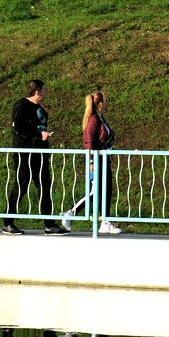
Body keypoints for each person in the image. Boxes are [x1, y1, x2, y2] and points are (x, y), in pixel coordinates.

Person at [3, 79, 69, 235]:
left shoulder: (39, 107)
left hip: (40, 153)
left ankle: (49, 224)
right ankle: (7, 222)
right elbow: (18, 128)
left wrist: (43, 135)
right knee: (21, 185)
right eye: (44, 90)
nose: (46, 93)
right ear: (38, 91)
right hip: (25, 153)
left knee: (45, 186)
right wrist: (38, 134)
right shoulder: (21, 105)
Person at [61, 91, 121, 234]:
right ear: (100, 103)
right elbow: (88, 140)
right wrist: (92, 161)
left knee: (107, 190)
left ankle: (105, 221)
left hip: (104, 159)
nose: (106, 104)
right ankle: (71, 213)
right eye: (105, 102)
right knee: (95, 191)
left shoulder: (100, 118)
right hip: (97, 160)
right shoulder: (94, 119)